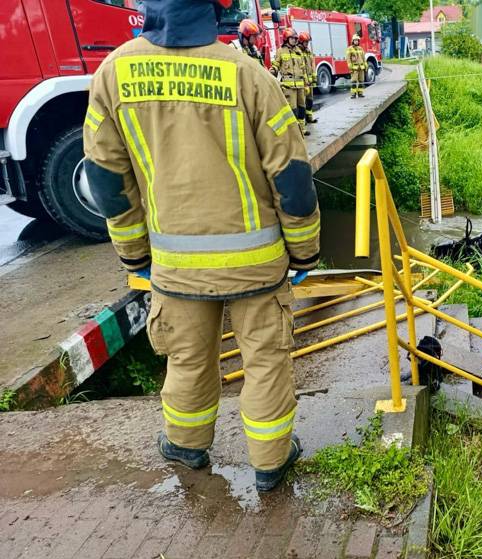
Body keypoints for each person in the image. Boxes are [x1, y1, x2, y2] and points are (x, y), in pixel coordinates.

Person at [83, 0, 319, 492]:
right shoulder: (248, 74)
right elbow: (292, 178)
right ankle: (271, 460)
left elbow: (107, 180)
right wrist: (304, 252)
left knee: (187, 358)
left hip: (176, 266)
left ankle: (186, 445)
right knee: (266, 362)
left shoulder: (112, 74)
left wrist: (134, 254)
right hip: (257, 265)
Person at [271, 28, 308, 134]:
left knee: (302, 107)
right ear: (286, 39)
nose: (294, 40)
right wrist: (272, 71)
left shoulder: (298, 51)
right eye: (292, 38)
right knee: (293, 109)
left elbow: (303, 68)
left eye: (295, 39)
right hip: (289, 87)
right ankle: (294, 132)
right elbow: (276, 64)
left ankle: (302, 129)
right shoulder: (281, 51)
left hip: (300, 86)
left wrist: (306, 83)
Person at [299, 32, 317, 128]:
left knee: (310, 100)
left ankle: (309, 117)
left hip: (309, 81)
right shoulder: (298, 52)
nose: (307, 44)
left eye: (308, 42)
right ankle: (304, 120)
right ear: (301, 42)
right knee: (303, 101)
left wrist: (314, 78)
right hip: (302, 82)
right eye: (305, 42)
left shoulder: (308, 52)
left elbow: (312, 65)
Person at [347, 34, 367, 98]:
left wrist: (365, 65)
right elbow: (348, 58)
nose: (356, 41)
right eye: (355, 40)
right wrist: (350, 66)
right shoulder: (350, 49)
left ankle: (360, 93)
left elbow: (363, 58)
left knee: (361, 81)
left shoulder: (360, 48)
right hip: (354, 68)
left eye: (357, 40)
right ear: (353, 41)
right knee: (354, 81)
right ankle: (353, 94)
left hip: (361, 67)